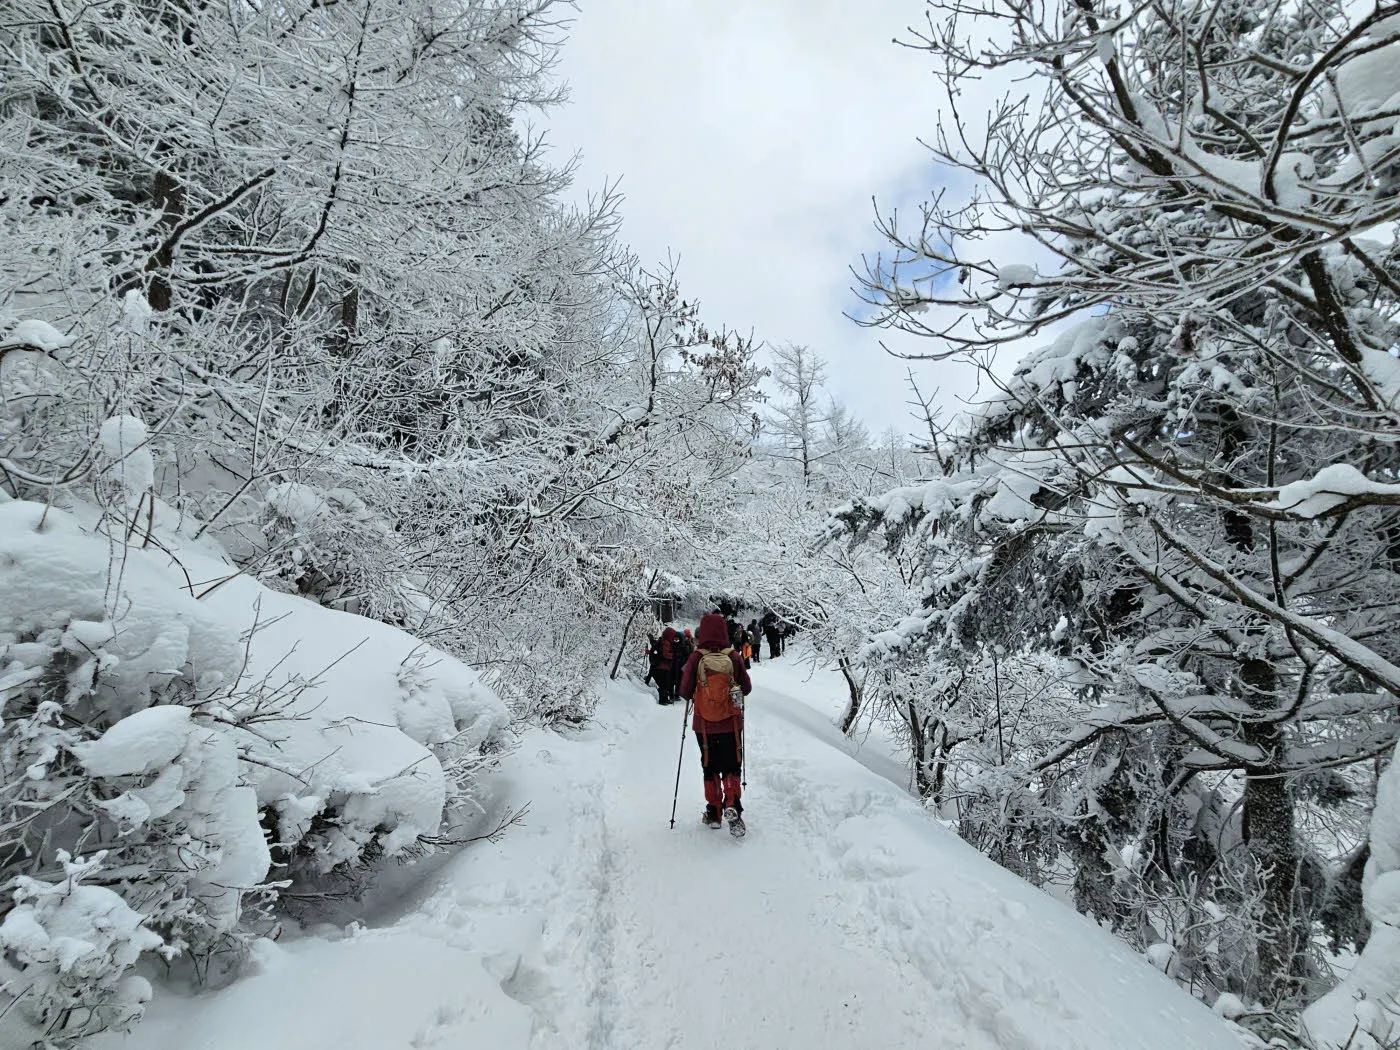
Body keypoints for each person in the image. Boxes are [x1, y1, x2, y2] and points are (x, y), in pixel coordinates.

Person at [678, 612, 752, 835]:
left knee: (710, 765)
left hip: (704, 726)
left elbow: (683, 691)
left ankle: (714, 813)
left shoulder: (696, 657)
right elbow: (746, 688)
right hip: (732, 724)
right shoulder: (734, 656)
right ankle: (733, 807)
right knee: (732, 764)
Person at [653, 624, 682, 705]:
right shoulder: (666, 643)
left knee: (665, 684)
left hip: (663, 666)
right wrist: (673, 655)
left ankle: (665, 698)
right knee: (664, 684)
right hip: (664, 666)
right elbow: (665, 654)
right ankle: (663, 700)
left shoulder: (663, 641)